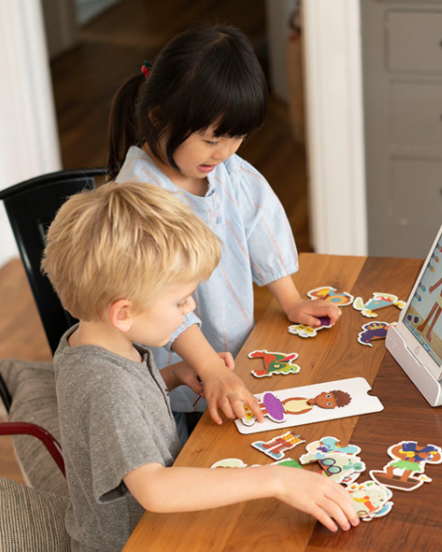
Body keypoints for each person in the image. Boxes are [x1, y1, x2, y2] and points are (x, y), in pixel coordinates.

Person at [41, 182, 359, 552]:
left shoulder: (88, 343)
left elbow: (117, 410)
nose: (190, 308)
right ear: (123, 313)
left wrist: (172, 376)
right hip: (139, 540)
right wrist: (278, 481)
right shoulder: (105, 385)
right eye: (179, 302)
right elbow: (155, 489)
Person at [105, 24, 341, 441]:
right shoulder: (139, 197)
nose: (226, 152)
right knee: (193, 439)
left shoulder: (226, 169)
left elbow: (260, 223)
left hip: (233, 350)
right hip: (177, 363)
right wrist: (209, 366)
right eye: (213, 138)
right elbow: (155, 299)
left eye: (238, 138)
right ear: (159, 117)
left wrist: (290, 299)